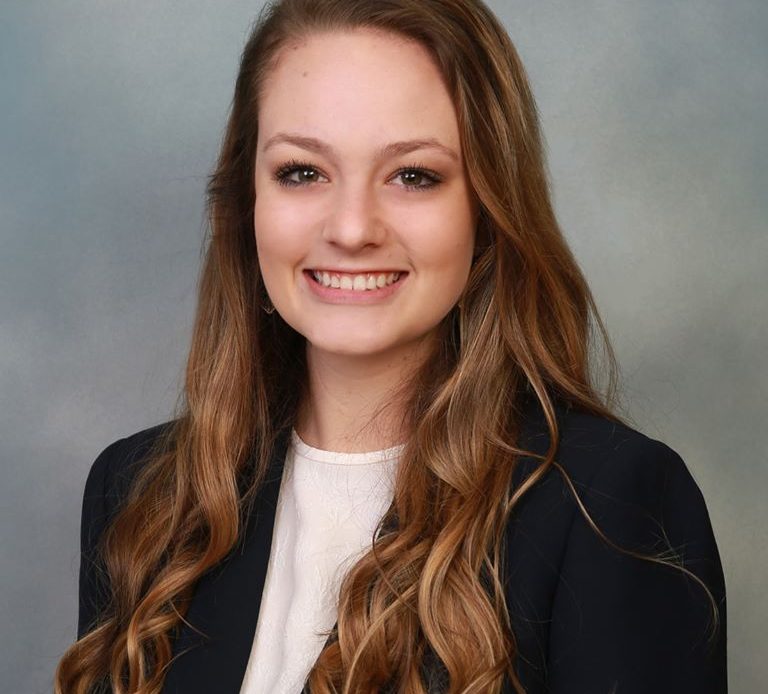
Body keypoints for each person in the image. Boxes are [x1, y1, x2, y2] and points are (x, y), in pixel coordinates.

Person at [55, 0, 727, 692]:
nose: (352, 229)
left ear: (488, 209)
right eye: (302, 171)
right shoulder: (143, 494)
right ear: (245, 200)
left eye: (413, 175)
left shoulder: (609, 503)